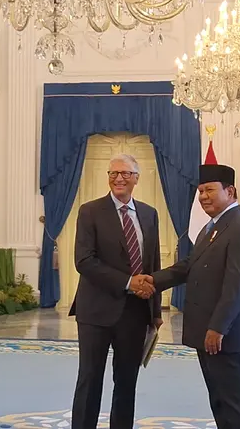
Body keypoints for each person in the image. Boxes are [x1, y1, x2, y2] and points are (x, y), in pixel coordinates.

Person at [147, 163, 240, 428]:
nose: (203, 196)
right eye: (200, 191)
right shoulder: (213, 227)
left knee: (237, 406)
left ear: (230, 191)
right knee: (220, 402)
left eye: (210, 190)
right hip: (213, 336)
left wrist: (218, 327)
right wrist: (153, 280)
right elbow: (190, 265)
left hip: (232, 337)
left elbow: (238, 285)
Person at [70, 153, 162, 429]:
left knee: (126, 381)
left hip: (135, 313)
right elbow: (84, 261)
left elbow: (153, 263)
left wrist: (155, 311)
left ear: (136, 178)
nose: (118, 178)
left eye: (125, 174)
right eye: (113, 174)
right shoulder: (90, 211)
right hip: (95, 311)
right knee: (90, 379)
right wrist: (128, 282)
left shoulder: (149, 214)